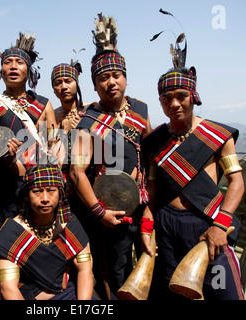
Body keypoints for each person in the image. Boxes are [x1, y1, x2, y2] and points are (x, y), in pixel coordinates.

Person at [141, 15, 245, 299]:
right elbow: (151, 191)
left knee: (221, 291)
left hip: (206, 222)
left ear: (193, 96)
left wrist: (221, 224)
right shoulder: (153, 142)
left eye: (181, 96)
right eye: (166, 98)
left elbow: (237, 183)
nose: (174, 103)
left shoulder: (218, 135)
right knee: (172, 290)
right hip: (165, 223)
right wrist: (148, 225)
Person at [69, 14, 151, 300]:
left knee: (145, 262)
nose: (111, 82)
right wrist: (99, 212)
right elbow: (76, 173)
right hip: (107, 211)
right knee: (113, 270)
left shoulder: (141, 109)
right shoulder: (87, 122)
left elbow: (149, 155)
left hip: (142, 206)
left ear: (125, 78)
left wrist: (149, 201)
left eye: (116, 75)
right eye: (103, 78)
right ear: (94, 86)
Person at [0, 33, 58, 234]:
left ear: (29, 70)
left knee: (42, 244)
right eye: (7, 62)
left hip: (40, 185)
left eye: (19, 62)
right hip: (6, 188)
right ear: (1, 71)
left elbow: (55, 148)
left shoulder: (42, 104)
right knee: (9, 244)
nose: (13, 66)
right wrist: (6, 159)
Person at [0, 164, 94, 300]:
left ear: (60, 193)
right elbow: (8, 288)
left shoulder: (69, 224)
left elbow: (85, 270)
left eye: (51, 190)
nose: (45, 198)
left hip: (68, 296)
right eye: (37, 191)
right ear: (26, 195)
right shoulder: (12, 233)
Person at [51, 60, 88, 197]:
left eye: (68, 81)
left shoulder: (91, 110)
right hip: (61, 182)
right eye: (58, 83)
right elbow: (49, 155)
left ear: (76, 84)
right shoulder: (51, 116)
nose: (63, 86)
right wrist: (63, 130)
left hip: (88, 179)